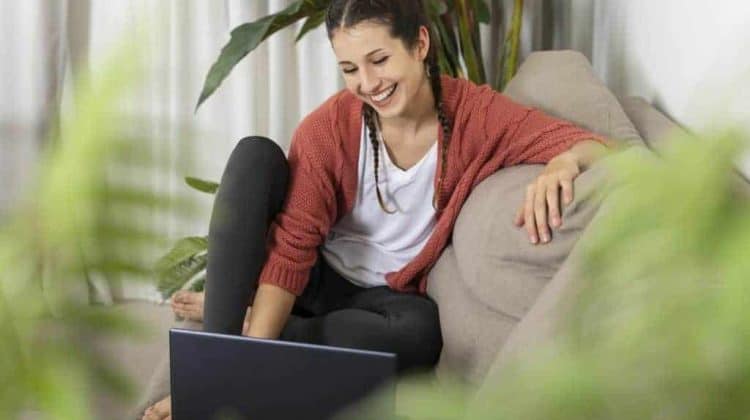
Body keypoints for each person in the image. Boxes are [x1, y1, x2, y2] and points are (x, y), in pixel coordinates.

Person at [141, 0, 612, 418]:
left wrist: (565, 162)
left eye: (379, 59)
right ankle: (220, 360)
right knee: (254, 154)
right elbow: (291, 252)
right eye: (349, 68)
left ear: (420, 43)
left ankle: (251, 318)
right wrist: (224, 383)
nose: (367, 83)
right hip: (313, 278)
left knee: (420, 335)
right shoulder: (327, 129)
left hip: (386, 299)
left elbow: (602, 148)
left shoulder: (478, 116)